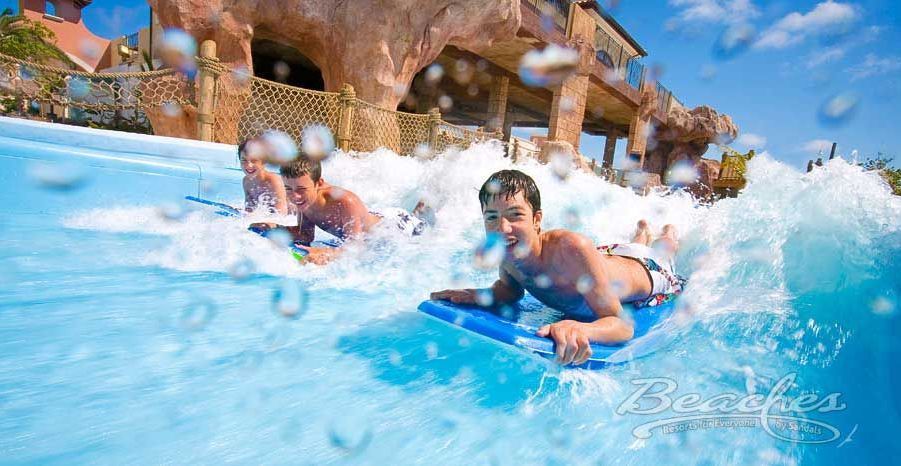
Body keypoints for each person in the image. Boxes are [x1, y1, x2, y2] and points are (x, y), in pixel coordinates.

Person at [430, 170, 685, 366]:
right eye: (492, 217)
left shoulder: (570, 249)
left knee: (661, 249)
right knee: (635, 245)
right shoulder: (508, 247)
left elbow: (622, 325)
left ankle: (667, 234)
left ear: (537, 219)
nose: (503, 228)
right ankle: (641, 235)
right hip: (607, 257)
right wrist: (481, 295)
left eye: (515, 215)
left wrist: (582, 328)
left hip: (649, 269)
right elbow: (511, 290)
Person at [272, 153, 424, 264]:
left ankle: (424, 202)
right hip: (370, 217)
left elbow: (356, 249)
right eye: (288, 189)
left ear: (319, 183)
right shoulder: (304, 201)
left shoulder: (344, 201)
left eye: (301, 189)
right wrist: (273, 228)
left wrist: (326, 253)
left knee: (421, 225)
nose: (295, 196)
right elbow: (306, 235)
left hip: (395, 226)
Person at [238, 138, 288, 215]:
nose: (249, 165)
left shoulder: (274, 181)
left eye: (254, 160)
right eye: (244, 160)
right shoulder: (246, 181)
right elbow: (249, 211)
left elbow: (281, 215)